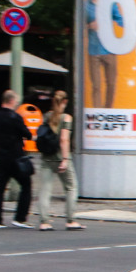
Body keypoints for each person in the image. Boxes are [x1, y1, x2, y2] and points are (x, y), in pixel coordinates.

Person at [36, 90, 83, 231]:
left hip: (46, 158)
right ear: (65, 102)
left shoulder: (47, 116)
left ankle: (44, 222)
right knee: (71, 187)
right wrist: (65, 159)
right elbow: (64, 139)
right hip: (59, 157)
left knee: (45, 190)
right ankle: (71, 220)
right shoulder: (66, 118)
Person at [0, 89, 33, 229]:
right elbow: (27, 133)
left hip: (1, 155)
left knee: (0, 188)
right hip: (16, 157)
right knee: (26, 185)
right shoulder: (15, 117)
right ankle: (20, 218)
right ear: (12, 101)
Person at [85, 0, 122, 109]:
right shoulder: (85, 5)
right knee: (95, 85)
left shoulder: (109, 3)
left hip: (109, 48)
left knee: (111, 83)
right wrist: (89, 25)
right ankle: (96, 113)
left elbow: (121, 20)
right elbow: (80, 26)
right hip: (93, 50)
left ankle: (108, 110)